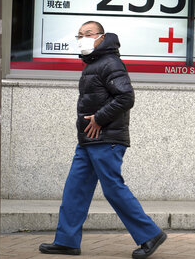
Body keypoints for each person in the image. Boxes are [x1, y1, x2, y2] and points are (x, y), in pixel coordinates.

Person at [39, 21, 166, 258]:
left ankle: (150, 234)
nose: (82, 39)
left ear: (101, 37)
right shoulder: (95, 63)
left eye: (88, 34)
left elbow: (126, 97)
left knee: (113, 189)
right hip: (89, 138)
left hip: (106, 138)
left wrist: (98, 118)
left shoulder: (110, 62)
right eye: (79, 35)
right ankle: (67, 241)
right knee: (75, 189)